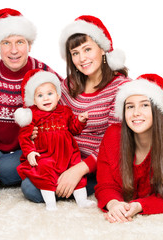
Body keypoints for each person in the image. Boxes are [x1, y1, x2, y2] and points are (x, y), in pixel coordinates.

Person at [21, 15, 131, 202]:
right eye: (75, 53)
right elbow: (50, 114)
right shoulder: (69, 84)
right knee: (13, 173)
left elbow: (116, 142)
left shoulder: (121, 87)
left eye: (87, 49)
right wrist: (35, 131)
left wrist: (79, 169)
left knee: (31, 189)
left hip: (95, 163)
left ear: (102, 50)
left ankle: (77, 185)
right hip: (60, 156)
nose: (82, 58)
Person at [0, 8, 61, 187]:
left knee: (0, 170)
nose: (13, 50)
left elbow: (66, 105)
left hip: (29, 149)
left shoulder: (42, 73)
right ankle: (7, 173)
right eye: (6, 43)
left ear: (29, 45)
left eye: (20, 42)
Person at [94, 74, 163, 223]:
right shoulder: (113, 135)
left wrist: (139, 206)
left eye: (145, 105)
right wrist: (114, 204)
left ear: (157, 110)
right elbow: (105, 184)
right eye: (130, 106)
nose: (136, 113)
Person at [14, 69, 96, 210]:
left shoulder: (65, 111)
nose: (46, 98)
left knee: (75, 167)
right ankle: (51, 204)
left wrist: (80, 121)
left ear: (58, 96)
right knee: (45, 170)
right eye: (40, 95)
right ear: (33, 101)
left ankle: (81, 200)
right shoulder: (32, 114)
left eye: (50, 94)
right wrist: (30, 152)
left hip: (68, 152)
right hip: (45, 153)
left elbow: (74, 129)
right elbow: (25, 135)